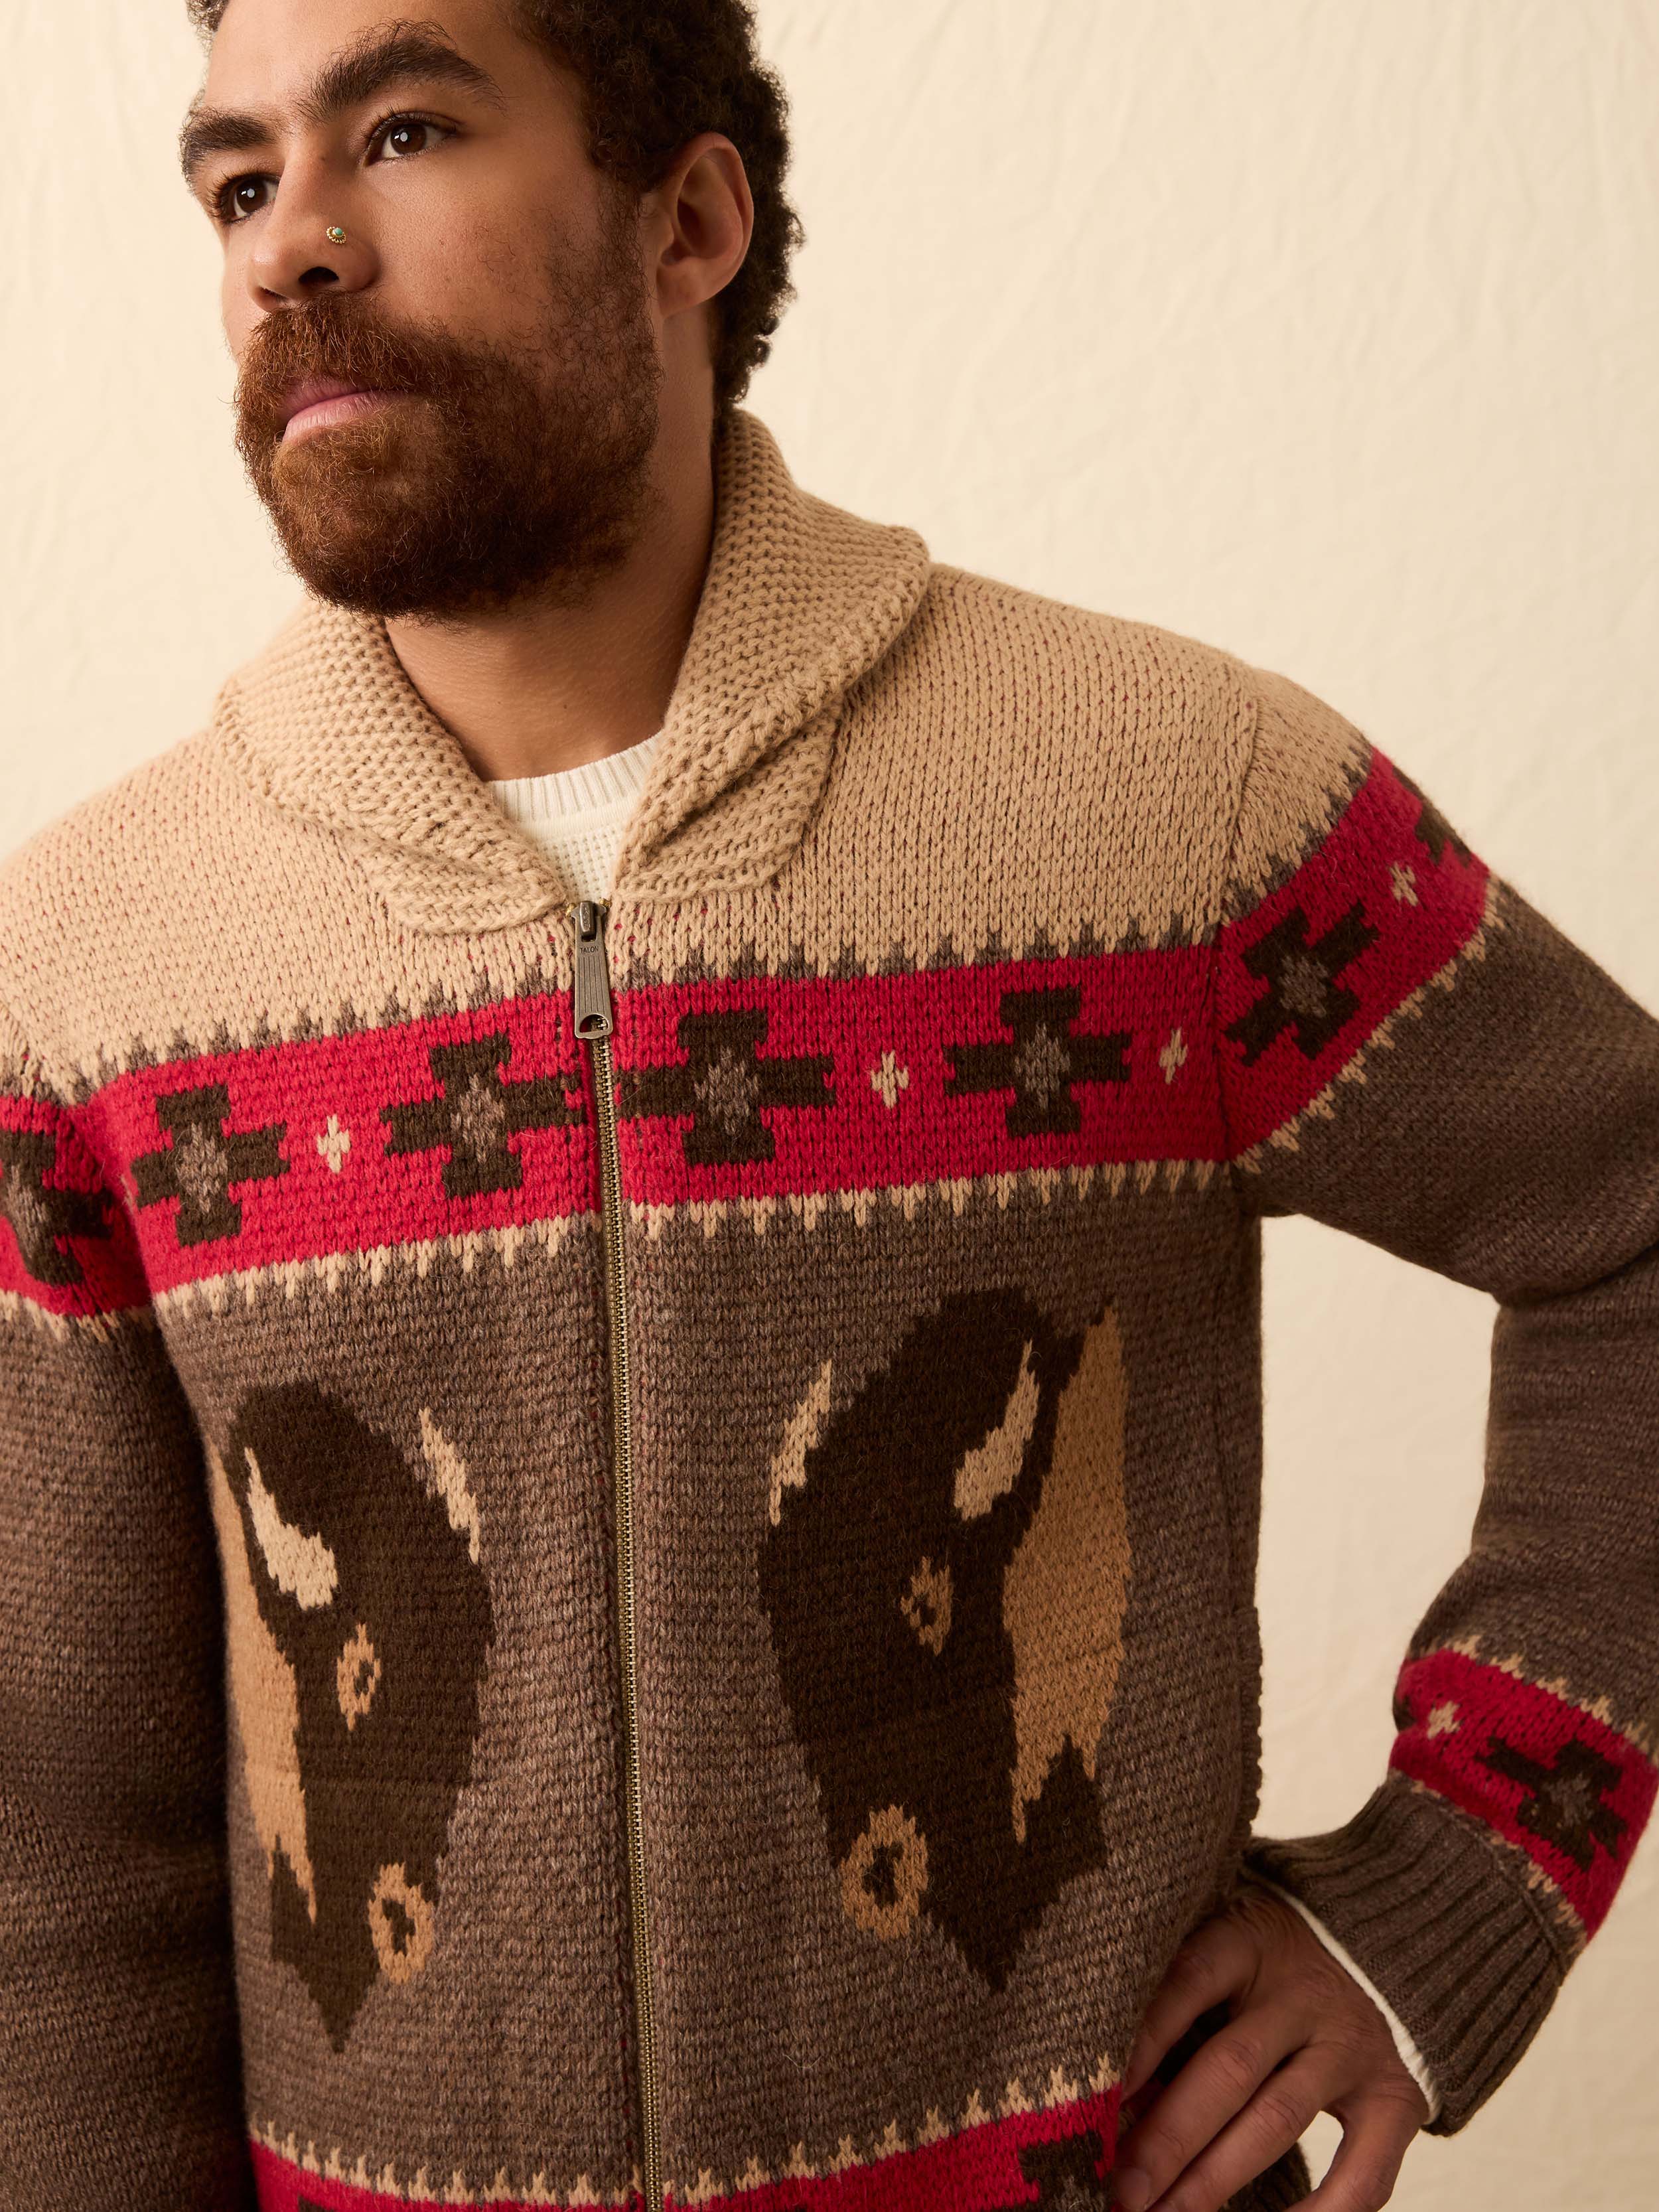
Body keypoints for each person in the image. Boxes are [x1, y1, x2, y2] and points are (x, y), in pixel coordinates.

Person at [1, 3, 1654, 2209]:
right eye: (235, 180)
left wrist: (1447, 1889)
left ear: (687, 215)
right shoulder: (95, 966)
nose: (290, 244)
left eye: (399, 131)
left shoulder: (1173, 807)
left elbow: (1630, 1215)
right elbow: (54, 1826)